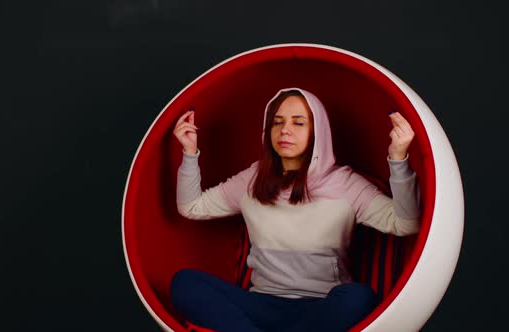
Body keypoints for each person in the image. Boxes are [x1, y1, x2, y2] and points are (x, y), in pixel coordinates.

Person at [170, 88, 421, 332]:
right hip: (260, 304)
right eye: (277, 122)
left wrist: (398, 160)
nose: (285, 130)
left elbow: (405, 223)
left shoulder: (346, 184)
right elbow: (192, 207)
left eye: (298, 123)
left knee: (359, 297)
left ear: (317, 131)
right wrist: (190, 153)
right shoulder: (252, 179)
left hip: (320, 309)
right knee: (185, 284)